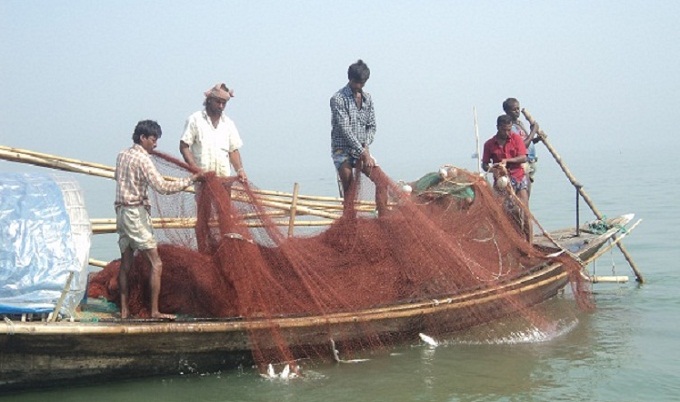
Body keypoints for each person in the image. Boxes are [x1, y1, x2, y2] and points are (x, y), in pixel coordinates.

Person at [115, 120, 203, 319]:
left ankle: (124, 310)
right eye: (153, 140)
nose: (155, 145)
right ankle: (155, 311)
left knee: (126, 263)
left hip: (121, 213)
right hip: (135, 214)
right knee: (157, 263)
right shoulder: (143, 160)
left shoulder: (122, 155)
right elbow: (162, 187)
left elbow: (118, 178)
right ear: (142, 138)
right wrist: (191, 180)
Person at [330, 59, 388, 216]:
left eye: (362, 83)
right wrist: (363, 152)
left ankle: (383, 219)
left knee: (382, 182)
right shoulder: (338, 99)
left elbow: (372, 126)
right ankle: (349, 224)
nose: (359, 86)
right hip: (342, 150)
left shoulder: (367, 99)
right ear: (350, 79)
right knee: (349, 188)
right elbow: (345, 129)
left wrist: (366, 148)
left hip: (362, 150)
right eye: (356, 82)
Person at [180, 83, 247, 182]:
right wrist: (195, 168)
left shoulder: (228, 124)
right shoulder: (195, 119)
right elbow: (184, 146)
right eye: (218, 102)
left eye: (224, 103)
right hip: (203, 181)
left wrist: (240, 170)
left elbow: (233, 151)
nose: (221, 106)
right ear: (210, 100)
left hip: (223, 181)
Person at [482, 114, 529, 207]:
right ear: (498, 127)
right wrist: (494, 170)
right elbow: (484, 165)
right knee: (502, 210)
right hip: (501, 180)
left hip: (518, 176)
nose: (507, 133)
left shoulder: (516, 138)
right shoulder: (489, 144)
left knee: (524, 209)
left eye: (509, 129)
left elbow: (523, 157)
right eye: (504, 130)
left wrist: (508, 160)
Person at [502, 98, 540, 194]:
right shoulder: (511, 128)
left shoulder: (519, 124)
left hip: (531, 161)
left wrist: (536, 139)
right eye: (514, 110)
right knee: (524, 192)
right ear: (507, 111)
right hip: (523, 163)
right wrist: (533, 131)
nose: (517, 111)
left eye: (518, 109)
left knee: (527, 190)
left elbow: (528, 142)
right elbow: (522, 146)